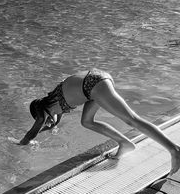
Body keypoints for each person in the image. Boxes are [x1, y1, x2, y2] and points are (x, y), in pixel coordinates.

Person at [11, 68, 180, 175]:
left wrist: (21, 142)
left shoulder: (44, 108)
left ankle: (174, 150)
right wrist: (42, 131)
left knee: (131, 119)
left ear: (40, 111)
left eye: (44, 120)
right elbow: (51, 125)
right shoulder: (55, 104)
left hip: (93, 85)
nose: (47, 123)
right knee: (87, 121)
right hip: (92, 83)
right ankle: (125, 144)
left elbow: (33, 131)